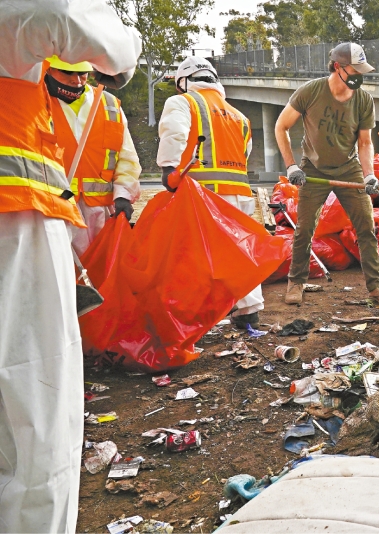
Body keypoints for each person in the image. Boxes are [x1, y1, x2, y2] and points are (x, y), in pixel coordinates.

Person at [0, 2, 140, 532]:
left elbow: (125, 158)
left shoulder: (105, 109)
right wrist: (121, 49)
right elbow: (75, 22)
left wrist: (124, 196)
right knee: (35, 409)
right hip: (19, 216)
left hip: (77, 210)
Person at [274, 43, 379, 306]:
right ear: (338, 67)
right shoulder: (311, 91)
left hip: (349, 168)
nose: (359, 76)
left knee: (366, 227)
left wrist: (368, 175)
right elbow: (281, 126)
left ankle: (376, 288)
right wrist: (292, 166)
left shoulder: (363, 100)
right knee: (305, 229)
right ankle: (296, 282)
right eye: (355, 69)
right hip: (313, 170)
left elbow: (365, 142)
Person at [157, 57, 264, 330]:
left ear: (184, 81)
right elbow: (245, 153)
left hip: (204, 194)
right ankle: (249, 311)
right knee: (241, 252)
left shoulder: (183, 102)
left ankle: (195, 317)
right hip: (240, 195)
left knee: (196, 256)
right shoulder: (239, 115)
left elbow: (174, 134)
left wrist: (168, 167)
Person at [47, 56, 142, 255]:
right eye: (66, 72)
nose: (77, 80)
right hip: (52, 210)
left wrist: (124, 195)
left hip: (101, 213)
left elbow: (126, 157)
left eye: (82, 73)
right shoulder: (37, 101)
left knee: (100, 274)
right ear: (47, 70)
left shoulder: (109, 104)